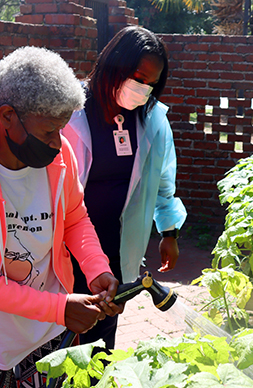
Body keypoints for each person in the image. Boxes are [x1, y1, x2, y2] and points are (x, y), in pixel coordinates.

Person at [0, 46, 123, 388]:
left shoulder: (61, 158)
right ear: (7, 117)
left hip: (43, 327)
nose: (58, 143)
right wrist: (60, 309)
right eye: (48, 132)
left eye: (61, 130)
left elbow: (75, 218)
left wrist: (96, 268)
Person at [62, 26, 187, 349]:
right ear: (113, 64)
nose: (143, 89)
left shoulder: (152, 120)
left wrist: (169, 233)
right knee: (59, 341)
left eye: (151, 83)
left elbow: (163, 181)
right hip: (63, 246)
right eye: (137, 76)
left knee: (100, 342)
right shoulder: (70, 110)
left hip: (114, 251)